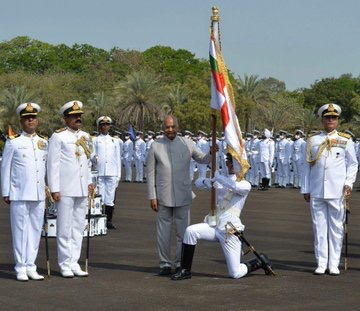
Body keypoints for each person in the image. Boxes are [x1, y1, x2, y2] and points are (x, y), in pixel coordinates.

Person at [171, 153, 269, 280]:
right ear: (227, 163)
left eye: (236, 162)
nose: (233, 165)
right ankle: (185, 270)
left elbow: (234, 186)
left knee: (235, 273)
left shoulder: (245, 184)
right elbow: (197, 183)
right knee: (190, 231)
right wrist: (208, 181)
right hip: (214, 225)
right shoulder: (221, 180)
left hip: (230, 230)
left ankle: (258, 262)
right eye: (230, 161)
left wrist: (219, 179)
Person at [146, 115, 212, 275]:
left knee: (183, 233)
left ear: (178, 127)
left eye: (173, 127)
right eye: (167, 127)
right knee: (163, 233)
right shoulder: (156, 146)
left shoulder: (187, 143)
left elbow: (203, 159)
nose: (170, 130)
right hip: (162, 195)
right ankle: (165, 264)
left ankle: (180, 263)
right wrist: (152, 196)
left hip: (183, 194)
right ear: (163, 128)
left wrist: (212, 151)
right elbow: (150, 173)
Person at [301, 103, 358, 275]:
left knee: (336, 228)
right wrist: (305, 189)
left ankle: (333, 263)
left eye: (333, 117)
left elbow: (353, 164)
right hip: (317, 190)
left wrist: (349, 183)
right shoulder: (313, 140)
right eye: (327, 117)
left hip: (337, 191)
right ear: (322, 120)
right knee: (319, 228)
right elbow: (305, 166)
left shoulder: (345, 140)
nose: (330, 120)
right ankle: (321, 262)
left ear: (338, 120)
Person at [47, 100, 95, 278]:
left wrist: (90, 181)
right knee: (64, 227)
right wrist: (54, 188)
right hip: (65, 188)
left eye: (79, 116)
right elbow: (52, 164)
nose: (78, 118)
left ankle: (74, 262)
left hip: (82, 189)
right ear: (66, 118)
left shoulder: (86, 136)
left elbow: (88, 163)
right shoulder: (58, 137)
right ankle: (64, 263)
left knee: (78, 227)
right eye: (74, 116)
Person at [1, 103, 47, 281]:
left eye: (33, 118)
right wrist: (6, 192)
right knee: (20, 231)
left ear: (37, 120)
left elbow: (45, 169)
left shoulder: (43, 142)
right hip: (19, 193)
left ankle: (31, 265)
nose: (31, 121)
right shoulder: (14, 143)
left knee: (35, 231)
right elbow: (5, 169)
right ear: (21, 121)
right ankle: (20, 266)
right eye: (27, 118)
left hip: (38, 194)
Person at [93, 116, 121, 229]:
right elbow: (92, 155)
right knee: (100, 196)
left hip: (112, 172)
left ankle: (109, 220)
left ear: (109, 126)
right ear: (99, 126)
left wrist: (118, 175)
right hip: (99, 172)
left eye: (107, 125)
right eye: (103, 125)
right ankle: (99, 220)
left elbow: (118, 158)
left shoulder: (114, 141)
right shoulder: (95, 140)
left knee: (110, 198)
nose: (105, 127)